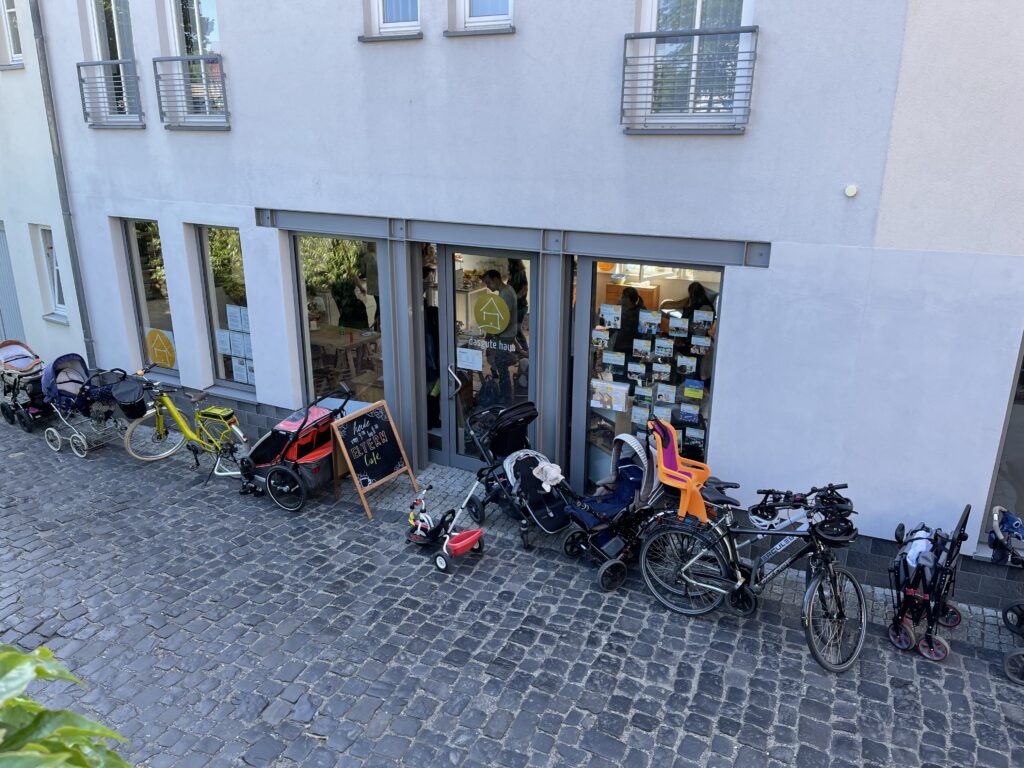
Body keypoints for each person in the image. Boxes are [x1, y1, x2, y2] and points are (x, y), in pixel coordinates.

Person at [481, 269, 519, 403]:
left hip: (505, 336)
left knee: (501, 367)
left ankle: (506, 398)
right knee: (499, 363)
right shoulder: (505, 291)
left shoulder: (506, 294)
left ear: (496, 279)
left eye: (488, 282)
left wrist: (493, 333)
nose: (487, 286)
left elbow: (505, 319)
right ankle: (515, 357)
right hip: (506, 335)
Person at [612, 287, 645, 354]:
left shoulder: (625, 313)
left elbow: (613, 327)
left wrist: (616, 309)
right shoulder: (643, 309)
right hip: (637, 350)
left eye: (622, 297)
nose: (620, 299)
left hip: (625, 348)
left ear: (628, 299)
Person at [508, 259, 529, 352]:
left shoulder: (521, 273)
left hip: (520, 307)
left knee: (517, 331)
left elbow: (525, 288)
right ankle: (520, 351)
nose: (509, 264)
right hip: (515, 307)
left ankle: (526, 351)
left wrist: (515, 297)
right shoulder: (513, 274)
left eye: (510, 262)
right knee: (514, 330)